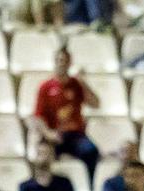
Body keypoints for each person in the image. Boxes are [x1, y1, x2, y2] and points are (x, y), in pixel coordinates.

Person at [32, 49, 101, 179]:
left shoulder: (76, 84)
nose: (61, 64)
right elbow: (38, 117)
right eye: (59, 60)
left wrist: (83, 83)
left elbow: (96, 104)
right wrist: (48, 133)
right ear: (54, 62)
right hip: (54, 136)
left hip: (75, 135)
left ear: (70, 63)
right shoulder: (45, 87)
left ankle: (89, 188)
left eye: (65, 61)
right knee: (43, 156)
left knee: (91, 151)